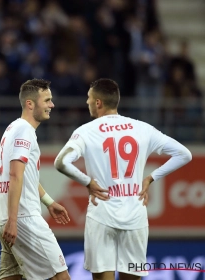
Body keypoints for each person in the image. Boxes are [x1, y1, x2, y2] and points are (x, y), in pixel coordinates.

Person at [54, 78, 192, 280]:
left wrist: (88, 182)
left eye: (89, 98)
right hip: (135, 215)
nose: (87, 102)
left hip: (102, 214)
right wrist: (150, 179)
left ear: (98, 102)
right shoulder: (142, 128)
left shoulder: (85, 131)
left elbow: (61, 162)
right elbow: (184, 154)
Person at [0, 78, 71, 280]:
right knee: (60, 277)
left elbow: (25, 175)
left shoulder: (12, 128)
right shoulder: (24, 131)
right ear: (30, 104)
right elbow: (15, 174)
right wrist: (14, 221)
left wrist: (48, 201)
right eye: (47, 100)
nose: (52, 105)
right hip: (23, 219)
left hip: (7, 216)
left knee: (10, 277)